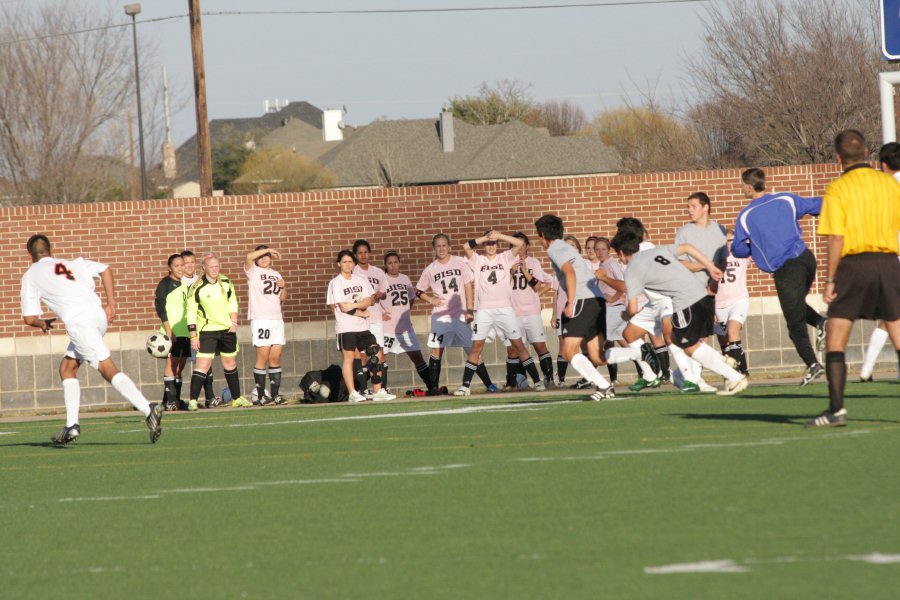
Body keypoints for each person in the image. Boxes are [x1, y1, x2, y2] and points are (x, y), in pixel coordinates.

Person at [20, 234, 162, 444]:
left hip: (80, 323)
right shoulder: (72, 263)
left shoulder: (31, 274)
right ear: (52, 249)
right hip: (97, 316)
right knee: (67, 369)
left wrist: (41, 324)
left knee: (107, 369)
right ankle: (71, 426)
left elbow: (29, 318)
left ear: (29, 255)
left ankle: (147, 408)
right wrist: (111, 303)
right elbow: (105, 269)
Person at [807, 130, 900, 427]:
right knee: (898, 336)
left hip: (854, 266)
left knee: (836, 338)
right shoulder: (889, 184)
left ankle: (836, 410)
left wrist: (830, 280)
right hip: (888, 263)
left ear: (838, 158)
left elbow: (836, 237)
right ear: (867, 153)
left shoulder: (837, 188)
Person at [610, 230, 749, 395]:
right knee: (678, 339)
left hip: (685, 302)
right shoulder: (657, 250)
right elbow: (687, 248)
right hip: (702, 295)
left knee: (689, 347)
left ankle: (734, 377)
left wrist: (625, 315)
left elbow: (632, 309)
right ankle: (722, 361)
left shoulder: (632, 268)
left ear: (621, 252)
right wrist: (710, 267)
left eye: (617, 255)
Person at [733, 168, 827, 386]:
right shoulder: (786, 199)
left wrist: (752, 249)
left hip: (786, 269)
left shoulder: (746, 215)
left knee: (794, 323)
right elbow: (818, 205)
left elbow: (738, 250)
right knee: (797, 307)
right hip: (806, 259)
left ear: (748, 187)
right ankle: (822, 323)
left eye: (742, 186)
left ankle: (813, 364)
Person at [534, 214, 614, 401]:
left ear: (543, 235)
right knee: (596, 357)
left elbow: (569, 272)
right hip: (596, 299)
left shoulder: (555, 248)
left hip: (582, 300)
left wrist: (570, 302)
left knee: (568, 351)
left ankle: (604, 386)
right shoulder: (562, 246)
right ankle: (639, 352)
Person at [454, 230, 539, 396]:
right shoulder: (478, 260)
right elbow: (466, 246)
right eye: (488, 243)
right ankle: (465, 385)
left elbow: (519, 243)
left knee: (518, 345)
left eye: (493, 243)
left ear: (498, 245)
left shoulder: (505, 257)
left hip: (505, 309)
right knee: (476, 347)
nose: (491, 246)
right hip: (484, 310)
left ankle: (537, 381)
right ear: (484, 245)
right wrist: (485, 237)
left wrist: (498, 236)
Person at [416, 233, 495, 394]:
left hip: (460, 315)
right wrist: (431, 300)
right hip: (440, 316)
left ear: (449, 247)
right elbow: (418, 291)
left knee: (472, 349)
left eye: (444, 245)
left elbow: (468, 286)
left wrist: (470, 310)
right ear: (434, 249)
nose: (441, 248)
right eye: (438, 246)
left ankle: (490, 385)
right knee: (436, 349)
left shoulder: (460, 262)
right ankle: (433, 389)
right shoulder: (430, 269)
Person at [673, 192, 729, 392]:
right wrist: (704, 266)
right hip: (689, 289)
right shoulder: (684, 232)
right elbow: (678, 262)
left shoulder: (719, 229)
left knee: (704, 336)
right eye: (688, 206)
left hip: (710, 290)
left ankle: (681, 375)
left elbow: (723, 259)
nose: (689, 210)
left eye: (693, 206)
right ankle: (695, 379)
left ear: (706, 207)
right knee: (695, 336)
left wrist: (715, 279)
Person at [327, 250, 395, 402]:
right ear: (339, 264)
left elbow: (370, 300)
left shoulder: (361, 279)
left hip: (363, 326)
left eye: (350, 262)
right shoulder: (336, 282)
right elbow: (342, 307)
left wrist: (355, 306)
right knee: (349, 358)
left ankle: (378, 391)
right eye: (344, 262)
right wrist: (360, 311)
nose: (347, 264)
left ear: (354, 264)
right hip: (346, 327)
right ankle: (353, 393)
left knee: (375, 352)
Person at [858, 142, 900, 382]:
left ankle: (866, 368)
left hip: (889, 257)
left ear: (883, 164)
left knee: (891, 315)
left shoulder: (879, 189)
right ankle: (866, 368)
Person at [186, 253, 251, 410]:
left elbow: (232, 303)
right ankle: (193, 401)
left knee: (230, 363)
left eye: (217, 266)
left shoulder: (227, 282)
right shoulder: (196, 287)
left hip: (227, 330)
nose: (215, 269)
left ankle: (237, 398)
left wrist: (234, 322)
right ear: (204, 268)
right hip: (208, 331)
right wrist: (193, 336)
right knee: (203, 364)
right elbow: (191, 312)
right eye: (211, 266)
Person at [379, 251, 434, 395]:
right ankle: (381, 390)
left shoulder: (405, 278)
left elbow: (411, 297)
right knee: (380, 359)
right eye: (389, 263)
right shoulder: (382, 279)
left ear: (399, 263)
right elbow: (374, 299)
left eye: (395, 262)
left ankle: (432, 387)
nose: (393, 265)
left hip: (405, 328)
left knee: (418, 358)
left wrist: (405, 312)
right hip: (388, 329)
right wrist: (380, 314)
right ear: (385, 265)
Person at [508, 232, 555, 388]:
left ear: (527, 246)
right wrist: (512, 272)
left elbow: (537, 285)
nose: (520, 249)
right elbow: (501, 287)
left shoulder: (534, 262)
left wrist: (525, 270)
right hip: (513, 312)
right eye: (516, 245)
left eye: (522, 245)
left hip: (531, 312)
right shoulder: (507, 262)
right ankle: (512, 383)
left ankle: (549, 378)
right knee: (513, 349)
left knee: (539, 345)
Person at [245, 245, 287, 405]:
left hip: (276, 319)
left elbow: (283, 298)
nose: (264, 259)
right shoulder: (253, 271)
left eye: (267, 256)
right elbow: (249, 257)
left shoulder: (276, 273)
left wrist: (283, 287)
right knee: (263, 357)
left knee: (275, 358)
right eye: (262, 256)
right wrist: (268, 248)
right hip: (261, 319)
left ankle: (275, 394)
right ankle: (261, 394)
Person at [353, 240, 389, 395]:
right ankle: (363, 389)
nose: (363, 255)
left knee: (379, 352)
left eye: (366, 252)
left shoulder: (378, 272)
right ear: (355, 255)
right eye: (360, 252)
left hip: (376, 316)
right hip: (361, 318)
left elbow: (385, 291)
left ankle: (381, 388)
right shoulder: (353, 272)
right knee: (362, 354)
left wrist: (380, 294)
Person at [154, 253, 190, 411]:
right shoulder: (165, 284)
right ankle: (171, 401)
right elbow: (160, 308)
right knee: (172, 364)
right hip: (172, 331)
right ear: (170, 268)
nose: (181, 268)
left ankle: (173, 399)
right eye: (177, 266)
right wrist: (169, 331)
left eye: (182, 265)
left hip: (185, 332)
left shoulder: (184, 285)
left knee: (179, 367)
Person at [181, 249, 218, 406]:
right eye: (185, 263)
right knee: (178, 364)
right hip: (182, 329)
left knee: (205, 363)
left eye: (192, 262)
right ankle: (171, 399)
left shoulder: (200, 281)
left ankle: (210, 397)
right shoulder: (178, 281)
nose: (189, 266)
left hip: (200, 328)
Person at [715, 228, 750, 375]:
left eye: (731, 241)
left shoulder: (742, 255)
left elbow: (757, 247)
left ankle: (735, 374)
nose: (728, 244)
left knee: (732, 331)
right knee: (726, 342)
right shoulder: (715, 258)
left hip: (739, 299)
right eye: (726, 241)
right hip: (719, 304)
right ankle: (743, 370)